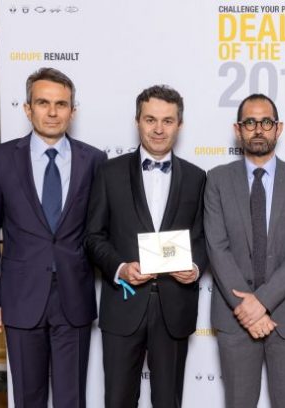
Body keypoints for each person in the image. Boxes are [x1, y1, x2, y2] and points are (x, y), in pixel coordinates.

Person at [0, 67, 106, 408]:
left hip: (74, 297)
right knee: (27, 398)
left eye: (61, 104)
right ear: (27, 108)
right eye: (43, 102)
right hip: (20, 297)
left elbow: (100, 230)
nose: (52, 112)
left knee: (71, 399)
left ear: (72, 111)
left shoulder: (94, 160)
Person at [85, 85, 207, 408]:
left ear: (180, 125)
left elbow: (202, 238)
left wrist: (195, 268)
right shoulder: (109, 173)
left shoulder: (197, 177)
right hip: (123, 305)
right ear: (137, 121)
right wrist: (120, 268)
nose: (158, 129)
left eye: (168, 121)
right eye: (150, 119)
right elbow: (93, 236)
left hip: (174, 308)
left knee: (168, 402)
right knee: (118, 401)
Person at [204, 94, 285, 408]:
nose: (258, 129)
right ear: (238, 129)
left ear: (278, 128)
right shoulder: (217, 179)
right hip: (235, 318)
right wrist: (248, 309)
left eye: (266, 122)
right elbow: (217, 247)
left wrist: (262, 302)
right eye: (250, 123)